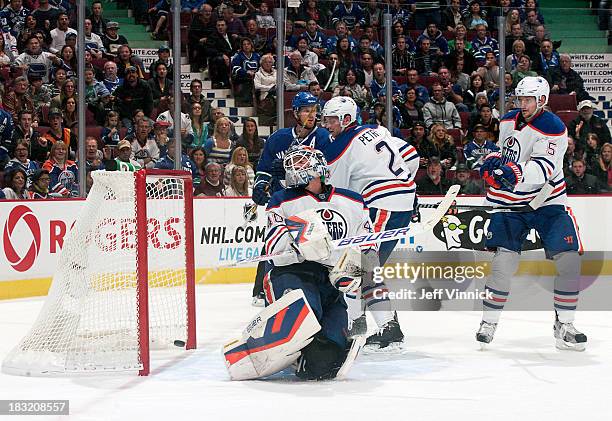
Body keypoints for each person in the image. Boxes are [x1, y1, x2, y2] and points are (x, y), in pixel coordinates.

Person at [235, 145, 371, 380]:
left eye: (300, 161)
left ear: (319, 167)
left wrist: (356, 269)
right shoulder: (282, 200)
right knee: (307, 317)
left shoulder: (353, 201)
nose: (293, 167)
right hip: (292, 271)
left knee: (330, 348)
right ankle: (280, 346)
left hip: (330, 280)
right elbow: (273, 246)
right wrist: (302, 244)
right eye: (292, 163)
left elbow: (367, 244)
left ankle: (315, 356)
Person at [476, 76, 588, 351]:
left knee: (569, 261)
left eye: (528, 100)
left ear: (542, 101)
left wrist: (511, 173)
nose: (522, 104)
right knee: (504, 263)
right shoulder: (507, 120)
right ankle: (488, 323)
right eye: (520, 98)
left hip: (547, 199)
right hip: (512, 204)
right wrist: (492, 162)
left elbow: (542, 170)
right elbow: (505, 153)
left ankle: (565, 324)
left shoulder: (553, 128)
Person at [321, 96, 419, 349]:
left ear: (345, 119)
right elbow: (410, 154)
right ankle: (359, 323)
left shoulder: (338, 148)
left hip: (382, 205)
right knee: (357, 265)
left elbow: (336, 194)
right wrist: (405, 187)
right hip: (397, 203)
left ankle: (387, 329)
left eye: (331, 119)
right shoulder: (377, 130)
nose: (327, 124)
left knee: (361, 266)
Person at [250, 92, 330, 305]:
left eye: (314, 110)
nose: (311, 115)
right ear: (295, 112)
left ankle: (319, 285)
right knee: (275, 241)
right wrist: (259, 185)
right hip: (284, 202)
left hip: (312, 201)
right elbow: (264, 168)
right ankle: (263, 288)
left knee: (313, 242)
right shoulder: (278, 138)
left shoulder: (323, 138)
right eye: (306, 110)